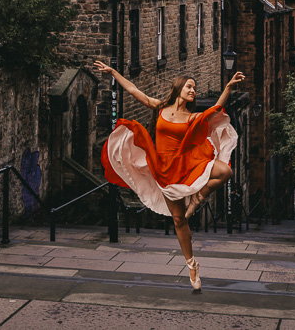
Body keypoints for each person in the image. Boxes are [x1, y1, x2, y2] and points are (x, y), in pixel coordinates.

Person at [94, 60, 244, 292]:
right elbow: (135, 91)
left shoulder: (192, 117)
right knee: (178, 220)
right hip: (164, 169)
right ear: (178, 88)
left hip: (186, 163)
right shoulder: (160, 108)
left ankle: (197, 199)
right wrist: (113, 72)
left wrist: (228, 88)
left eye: (194, 88)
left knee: (225, 171)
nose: (193, 91)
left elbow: (214, 110)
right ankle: (191, 264)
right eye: (189, 87)